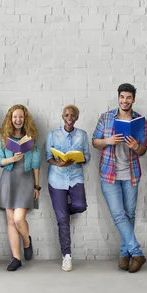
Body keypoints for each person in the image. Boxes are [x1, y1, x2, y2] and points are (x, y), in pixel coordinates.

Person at [92, 83, 147, 273]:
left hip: (131, 174)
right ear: (118, 98)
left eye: (128, 98)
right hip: (109, 174)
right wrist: (107, 141)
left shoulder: (140, 120)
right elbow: (95, 142)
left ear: (133, 99)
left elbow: (143, 150)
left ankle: (125, 254)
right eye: (122, 97)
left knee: (129, 215)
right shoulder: (106, 118)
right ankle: (136, 252)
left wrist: (135, 147)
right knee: (118, 214)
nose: (125, 101)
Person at [0, 104, 41, 271]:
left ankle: (27, 242)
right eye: (15, 117)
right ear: (10, 118)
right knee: (10, 221)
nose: (18, 120)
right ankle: (16, 258)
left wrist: (37, 186)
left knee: (18, 219)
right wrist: (12, 159)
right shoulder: (2, 138)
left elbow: (36, 164)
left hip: (26, 180)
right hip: (9, 180)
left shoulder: (31, 137)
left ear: (25, 118)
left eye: (21, 117)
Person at [45, 105, 90, 271]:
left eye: (73, 115)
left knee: (81, 205)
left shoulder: (82, 135)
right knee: (63, 221)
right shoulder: (52, 134)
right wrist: (59, 163)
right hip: (56, 179)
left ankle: (64, 212)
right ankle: (67, 255)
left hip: (75, 177)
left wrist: (79, 159)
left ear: (77, 117)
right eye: (66, 115)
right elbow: (48, 157)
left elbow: (87, 157)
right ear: (62, 116)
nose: (69, 118)